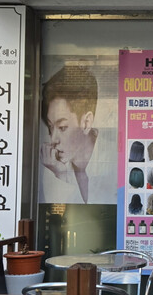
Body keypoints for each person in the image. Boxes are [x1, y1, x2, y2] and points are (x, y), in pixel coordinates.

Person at [39, 65, 115, 204]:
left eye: (62, 127)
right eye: (50, 127)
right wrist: (60, 175)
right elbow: (57, 214)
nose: (53, 139)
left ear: (86, 123)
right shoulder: (52, 167)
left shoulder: (115, 160)